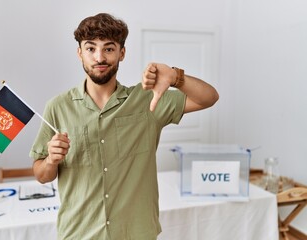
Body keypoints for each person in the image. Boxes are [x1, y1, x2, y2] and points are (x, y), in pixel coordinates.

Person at [29, 13, 219, 240]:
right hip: (79, 234)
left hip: (136, 233)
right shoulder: (58, 107)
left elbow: (208, 98)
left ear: (122, 53)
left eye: (108, 49)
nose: (99, 57)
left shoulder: (148, 99)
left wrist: (176, 77)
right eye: (91, 49)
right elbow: (41, 175)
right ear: (80, 53)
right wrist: (51, 160)